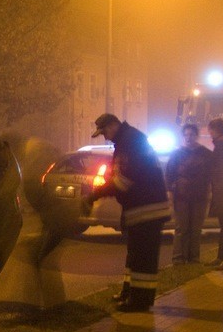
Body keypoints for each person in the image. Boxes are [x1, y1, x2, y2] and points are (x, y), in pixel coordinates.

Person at [82, 113, 170, 312]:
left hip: (146, 209)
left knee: (143, 259)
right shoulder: (128, 141)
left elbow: (123, 181)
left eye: (105, 131)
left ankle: (140, 301)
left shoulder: (130, 142)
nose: (105, 137)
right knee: (135, 256)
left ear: (113, 125)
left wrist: (93, 196)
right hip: (141, 209)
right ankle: (130, 292)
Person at [165, 123, 212, 264]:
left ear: (196, 136)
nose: (188, 137)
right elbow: (169, 174)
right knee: (181, 228)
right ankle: (178, 258)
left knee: (196, 229)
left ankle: (194, 258)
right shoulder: (177, 154)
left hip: (200, 196)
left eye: (191, 134)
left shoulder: (205, 153)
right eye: (186, 135)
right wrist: (170, 192)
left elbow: (211, 174)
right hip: (181, 196)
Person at [207, 117, 223, 269]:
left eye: (211, 130)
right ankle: (221, 256)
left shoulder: (222, 146)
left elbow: (219, 171)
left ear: (214, 130)